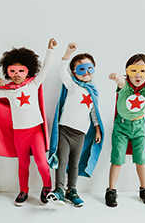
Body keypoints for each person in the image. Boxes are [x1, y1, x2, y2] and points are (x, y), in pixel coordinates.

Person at [0, 38, 57, 206]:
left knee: (41, 162)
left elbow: (45, 68)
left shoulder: (34, 84)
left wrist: (50, 50)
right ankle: (24, 190)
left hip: (35, 131)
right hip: (19, 134)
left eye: (21, 71)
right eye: (12, 71)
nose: (16, 75)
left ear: (28, 70)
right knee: (23, 164)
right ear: (7, 71)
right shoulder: (8, 90)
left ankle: (47, 187)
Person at [105, 53, 145, 207]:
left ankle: (144, 189)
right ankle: (111, 190)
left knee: (141, 160)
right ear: (127, 71)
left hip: (140, 126)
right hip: (122, 126)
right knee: (117, 160)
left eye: (143, 70)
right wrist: (116, 77)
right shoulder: (125, 86)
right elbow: (120, 82)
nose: (138, 74)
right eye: (134, 70)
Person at [47, 43, 104, 207]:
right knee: (62, 160)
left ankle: (71, 191)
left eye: (89, 68)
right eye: (81, 69)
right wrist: (68, 53)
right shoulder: (71, 85)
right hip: (65, 130)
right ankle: (58, 190)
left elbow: (94, 113)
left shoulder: (92, 91)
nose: (86, 72)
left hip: (80, 134)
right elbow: (61, 70)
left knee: (74, 163)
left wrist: (98, 128)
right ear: (74, 72)